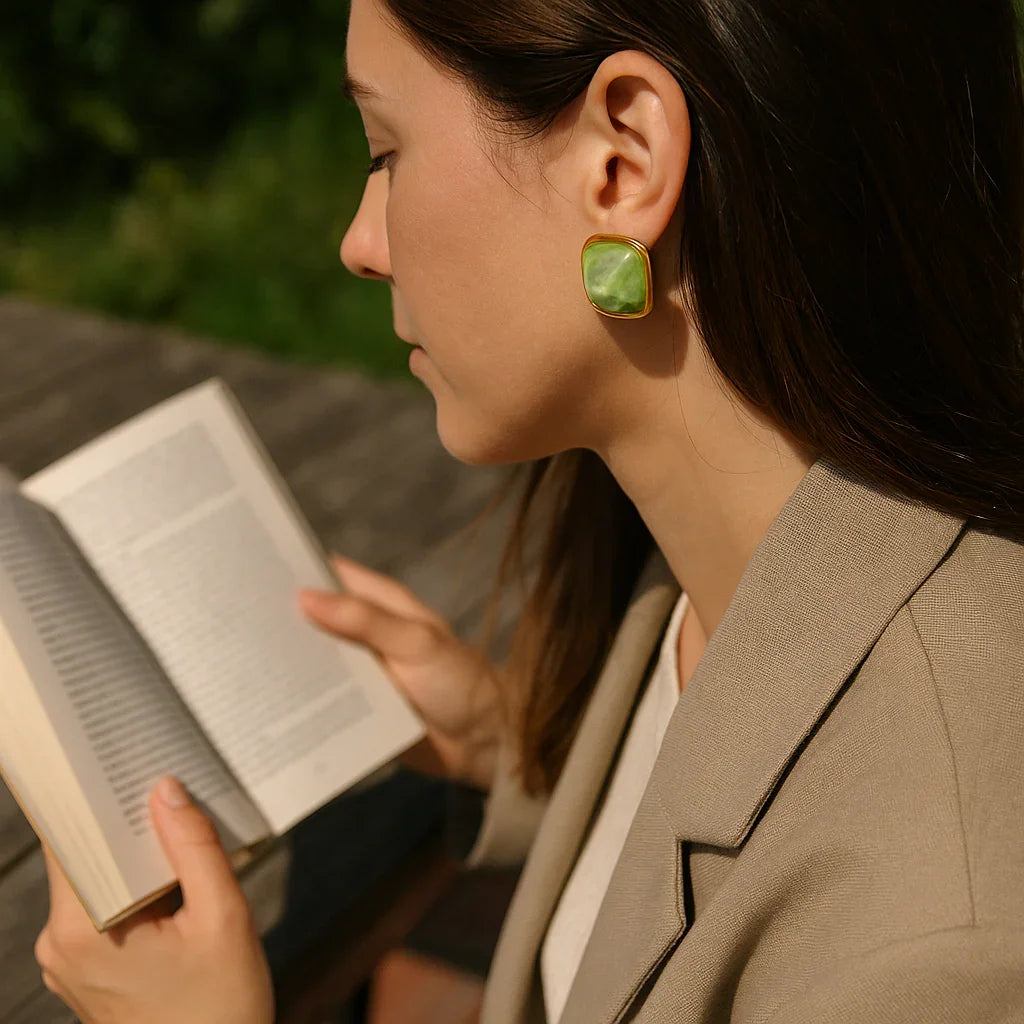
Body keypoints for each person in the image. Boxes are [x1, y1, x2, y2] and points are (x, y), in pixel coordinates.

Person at [33, 0, 1024, 1020]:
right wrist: (513, 750)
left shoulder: (946, 935)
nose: (358, 243)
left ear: (623, 160)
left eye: (386, 149)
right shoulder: (717, 560)